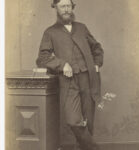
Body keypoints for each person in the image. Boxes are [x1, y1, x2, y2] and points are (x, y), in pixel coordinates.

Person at [36, 0, 104, 149]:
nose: (66, 9)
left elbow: (97, 48)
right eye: (62, 6)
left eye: (68, 6)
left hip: (88, 78)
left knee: (88, 120)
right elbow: (42, 58)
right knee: (73, 120)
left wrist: (97, 64)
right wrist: (62, 64)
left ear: (72, 7)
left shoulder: (82, 28)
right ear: (56, 8)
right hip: (68, 81)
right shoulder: (50, 32)